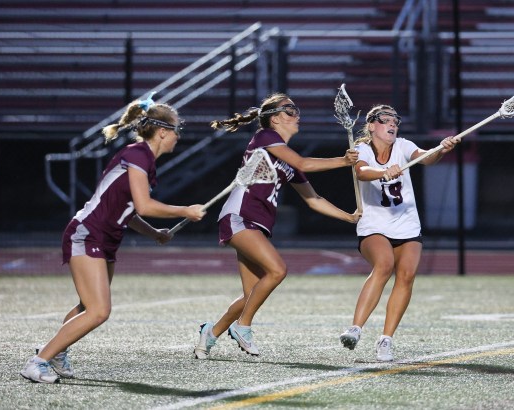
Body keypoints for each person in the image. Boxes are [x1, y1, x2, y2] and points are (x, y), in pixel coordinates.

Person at [20, 95, 207, 383]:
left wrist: (154, 233)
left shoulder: (144, 160)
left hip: (105, 238)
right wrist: (185, 210)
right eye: (177, 130)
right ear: (162, 132)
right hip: (88, 232)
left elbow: (130, 212)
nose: (178, 136)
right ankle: (38, 361)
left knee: (87, 305)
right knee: (99, 311)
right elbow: (145, 205)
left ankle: (55, 352)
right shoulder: (138, 155)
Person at [193, 93, 361, 359]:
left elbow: (314, 199)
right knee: (277, 270)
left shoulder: (288, 161)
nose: (297, 115)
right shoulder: (265, 138)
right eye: (290, 110)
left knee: (251, 295)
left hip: (256, 224)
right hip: (240, 217)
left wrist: (349, 217)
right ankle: (243, 328)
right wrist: (343, 161)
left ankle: (210, 334)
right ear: (275, 118)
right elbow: (305, 162)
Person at [339, 104, 458, 362]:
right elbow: (361, 172)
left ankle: (386, 339)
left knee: (406, 275)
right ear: (371, 126)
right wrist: (384, 171)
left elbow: (426, 157)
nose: (392, 124)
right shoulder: (361, 150)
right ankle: (355, 328)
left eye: (395, 120)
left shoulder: (403, 146)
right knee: (384, 264)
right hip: (374, 225)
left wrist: (441, 149)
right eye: (385, 120)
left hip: (406, 224)